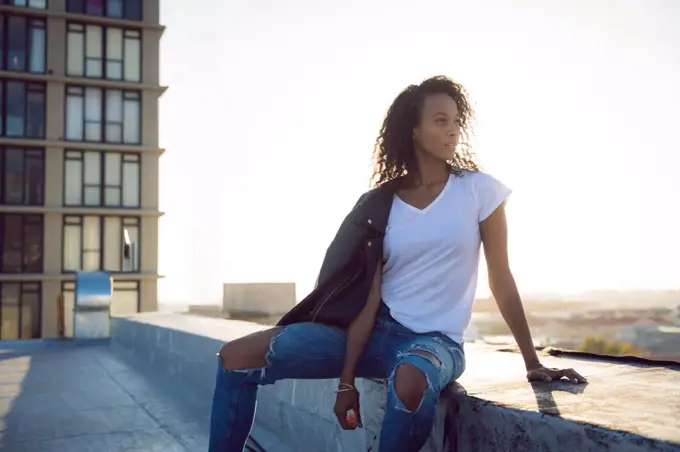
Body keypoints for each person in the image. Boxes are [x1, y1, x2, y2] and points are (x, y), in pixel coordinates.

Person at [208, 76, 587, 452]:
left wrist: (531, 361)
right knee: (235, 357)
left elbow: (500, 279)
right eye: (441, 121)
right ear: (414, 130)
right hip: (373, 334)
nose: (453, 131)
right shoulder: (381, 203)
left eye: (457, 121)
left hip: (434, 344)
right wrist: (345, 383)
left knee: (409, 381)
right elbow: (367, 300)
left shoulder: (478, 191)